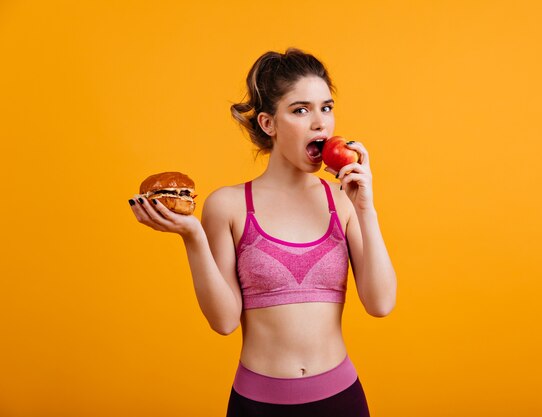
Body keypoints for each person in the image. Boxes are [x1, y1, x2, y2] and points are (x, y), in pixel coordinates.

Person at [128, 48, 397, 417]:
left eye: (327, 108)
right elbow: (223, 322)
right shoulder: (228, 205)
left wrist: (366, 207)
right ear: (269, 124)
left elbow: (381, 304)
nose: (320, 123)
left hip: (342, 401)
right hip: (258, 405)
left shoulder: (343, 202)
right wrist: (193, 238)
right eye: (301, 110)